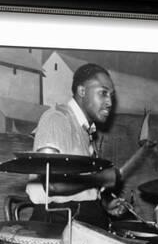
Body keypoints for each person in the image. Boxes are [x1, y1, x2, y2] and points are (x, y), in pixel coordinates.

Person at [26, 63, 127, 229]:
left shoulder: (85, 130)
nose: (109, 102)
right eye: (103, 93)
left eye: (111, 95)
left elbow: (78, 190)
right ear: (82, 91)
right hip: (58, 224)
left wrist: (103, 207)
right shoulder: (56, 119)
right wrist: (101, 178)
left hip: (80, 220)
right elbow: (52, 184)